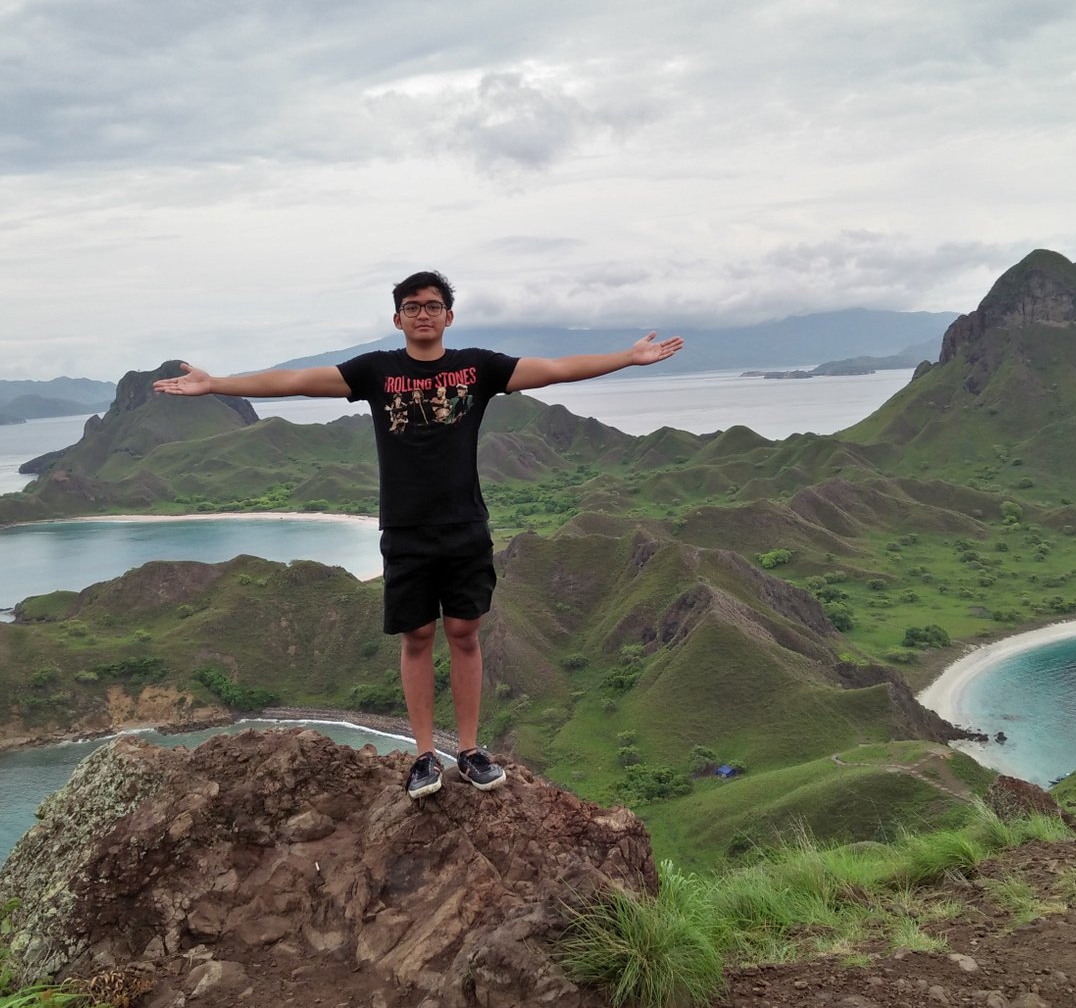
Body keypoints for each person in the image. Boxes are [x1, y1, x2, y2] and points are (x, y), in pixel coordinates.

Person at [154, 271, 684, 800]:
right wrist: (216, 384)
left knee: (465, 632)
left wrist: (626, 357)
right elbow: (293, 381)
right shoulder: (376, 371)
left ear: (448, 316)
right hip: (405, 527)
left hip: (464, 523)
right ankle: (425, 755)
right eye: (412, 306)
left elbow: (555, 369)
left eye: (432, 306)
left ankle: (469, 751)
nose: (423, 314)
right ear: (398, 318)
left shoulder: (477, 367)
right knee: (417, 637)